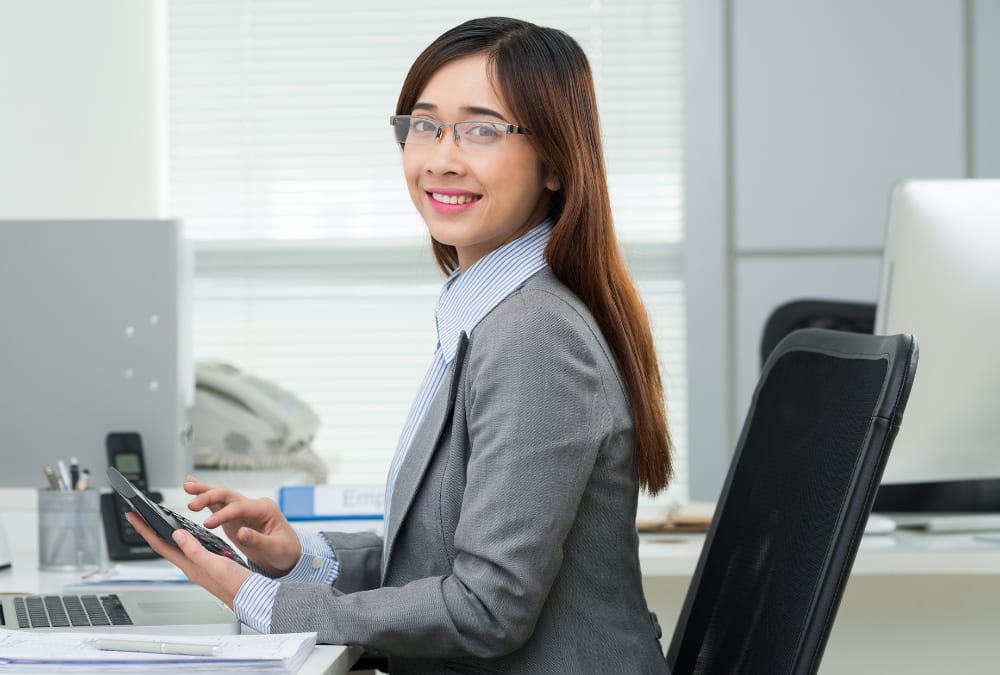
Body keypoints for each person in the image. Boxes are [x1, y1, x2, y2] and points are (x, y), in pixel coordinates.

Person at [128, 16, 674, 674]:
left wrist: (260, 598)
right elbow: (444, 554)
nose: (441, 157)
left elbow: (484, 606)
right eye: (424, 125)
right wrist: (300, 554)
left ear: (555, 161)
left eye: (481, 129)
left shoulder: (535, 333)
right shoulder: (489, 310)